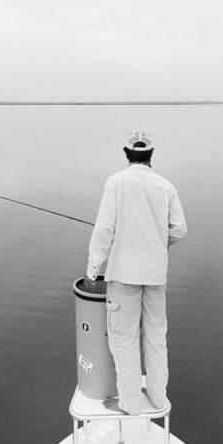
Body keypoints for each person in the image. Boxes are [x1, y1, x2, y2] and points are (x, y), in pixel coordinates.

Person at [84, 131, 187, 414]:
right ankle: (157, 397)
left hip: (123, 276)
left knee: (124, 338)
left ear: (127, 153)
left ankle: (131, 403)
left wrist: (94, 269)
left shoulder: (116, 183)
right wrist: (158, 242)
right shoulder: (166, 187)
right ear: (150, 154)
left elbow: (105, 229)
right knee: (156, 336)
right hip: (156, 276)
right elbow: (179, 229)